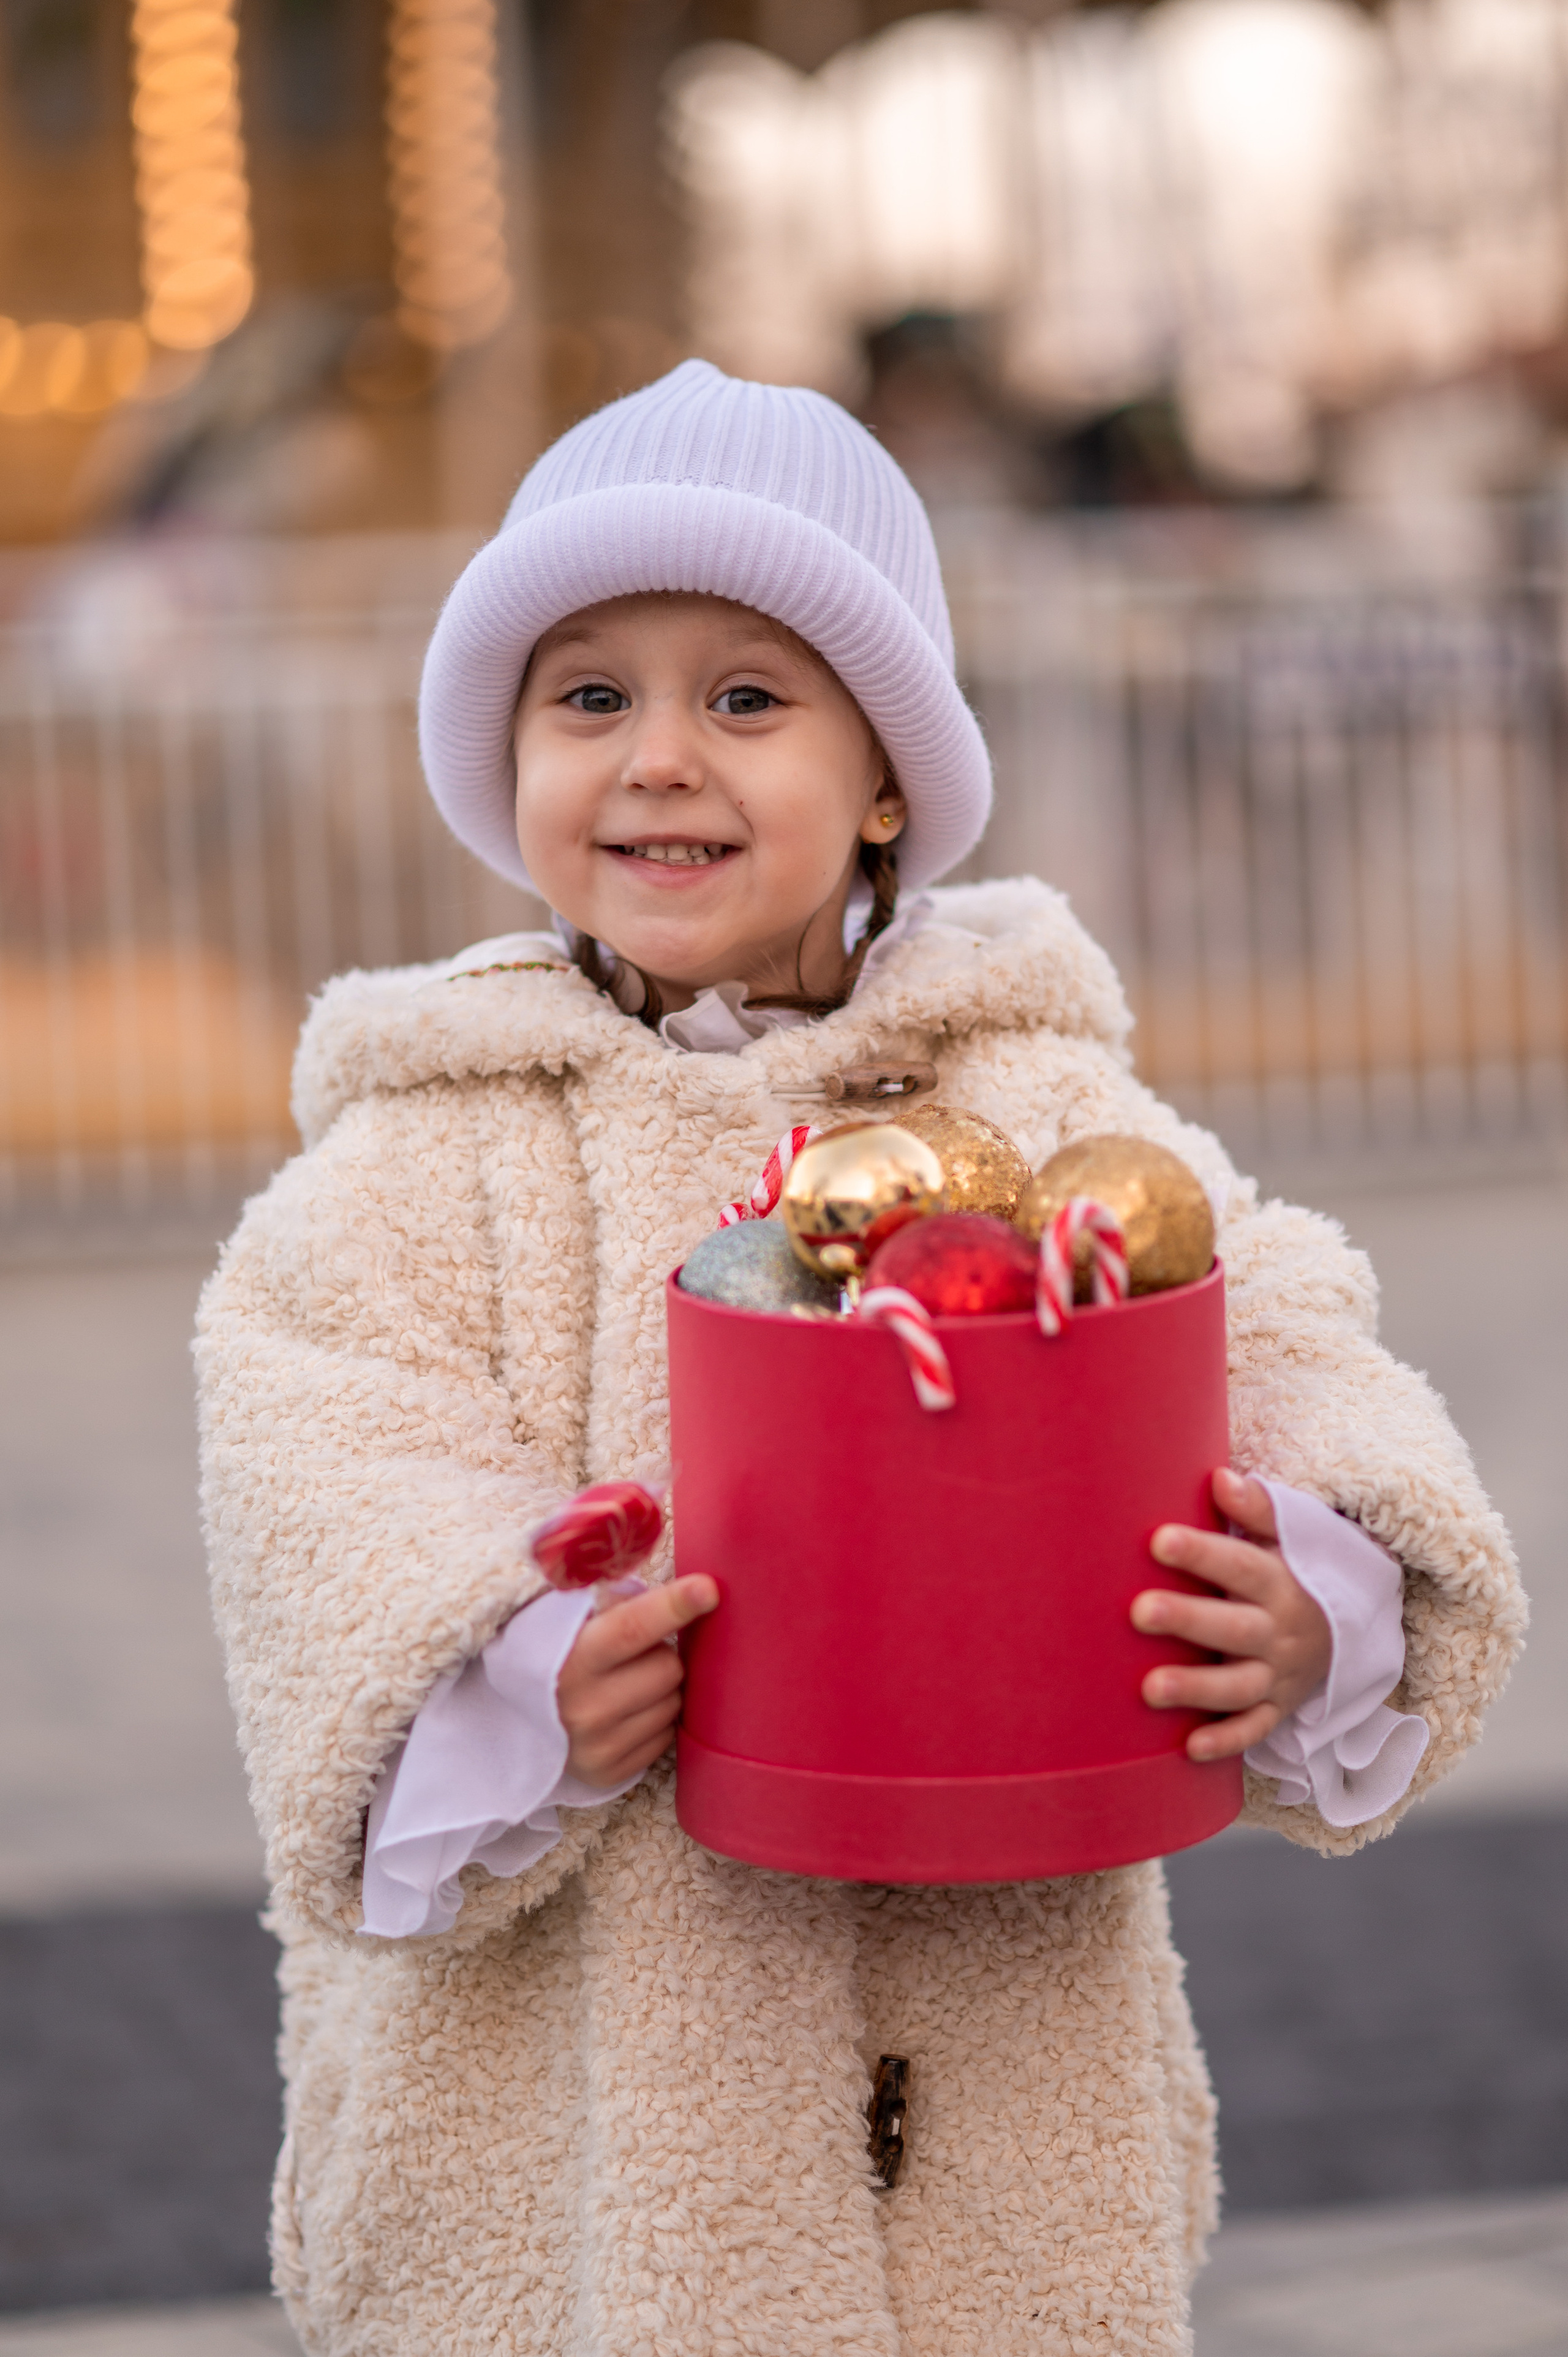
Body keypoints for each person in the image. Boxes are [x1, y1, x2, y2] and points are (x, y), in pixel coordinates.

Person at [197, 360, 1524, 2357]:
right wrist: (516, 1651)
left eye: (746, 697)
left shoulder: (1040, 1097)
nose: (659, 758)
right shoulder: (418, 1156)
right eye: (590, 697)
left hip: (1000, 2092)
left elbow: (1277, 1325)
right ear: (507, 757)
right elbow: (323, 1459)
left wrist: (1318, 1592)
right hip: (575, 2142)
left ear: (887, 774)